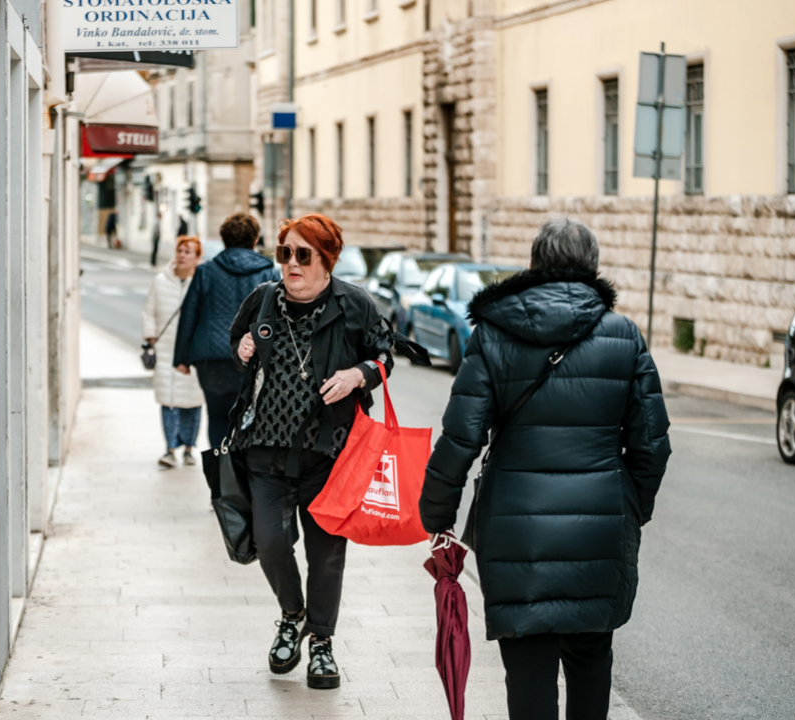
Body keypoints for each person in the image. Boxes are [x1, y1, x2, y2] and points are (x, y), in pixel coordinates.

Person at [418, 217, 672, 720]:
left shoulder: (493, 332)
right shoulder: (623, 335)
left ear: (534, 265)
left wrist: (437, 514)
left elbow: (461, 436)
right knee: (591, 659)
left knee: (528, 668)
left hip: (517, 535)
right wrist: (629, 509)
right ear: (594, 268)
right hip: (598, 532)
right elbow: (652, 444)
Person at [228, 214, 395, 690]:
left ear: (327, 260)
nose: (292, 264)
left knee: (325, 555)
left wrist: (358, 374)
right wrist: (241, 348)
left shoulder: (354, 304)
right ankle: (291, 615)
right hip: (264, 451)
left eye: (304, 255)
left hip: (330, 456)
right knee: (271, 545)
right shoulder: (262, 299)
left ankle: (320, 643)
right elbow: (235, 344)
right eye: (286, 253)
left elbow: (385, 356)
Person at [173, 213, 278, 448]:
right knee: (250, 418)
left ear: (224, 239)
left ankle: (220, 476)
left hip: (211, 360)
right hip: (253, 359)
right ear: (255, 239)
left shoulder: (206, 272)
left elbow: (189, 314)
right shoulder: (268, 273)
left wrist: (181, 358)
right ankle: (242, 477)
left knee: (218, 417)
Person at [142, 236, 206, 468]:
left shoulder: (202, 282)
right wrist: (151, 336)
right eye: (180, 250)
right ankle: (169, 449)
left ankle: (189, 448)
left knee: (192, 402)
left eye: (188, 252)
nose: (182, 255)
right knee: (168, 401)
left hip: (193, 353)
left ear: (197, 258)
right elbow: (148, 311)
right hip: (166, 350)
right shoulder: (160, 281)